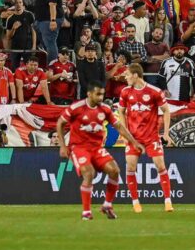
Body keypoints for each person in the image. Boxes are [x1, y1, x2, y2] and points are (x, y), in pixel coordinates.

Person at [56, 80, 143, 221]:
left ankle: (107, 205)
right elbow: (60, 123)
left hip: (96, 148)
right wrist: (62, 145)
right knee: (89, 173)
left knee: (115, 171)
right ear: (89, 94)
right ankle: (86, 212)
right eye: (98, 94)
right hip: (79, 147)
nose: (101, 98)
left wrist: (134, 142)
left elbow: (119, 126)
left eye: (102, 94)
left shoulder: (105, 109)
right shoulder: (76, 108)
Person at [118, 64, 175, 212]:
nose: (125, 77)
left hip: (152, 137)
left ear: (136, 75)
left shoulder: (154, 92)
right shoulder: (125, 92)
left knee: (161, 166)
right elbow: (121, 112)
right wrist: (124, 134)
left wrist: (166, 133)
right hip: (133, 138)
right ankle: (135, 202)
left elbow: (166, 111)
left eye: (127, 75)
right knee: (130, 167)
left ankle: (168, 201)